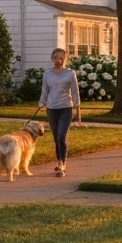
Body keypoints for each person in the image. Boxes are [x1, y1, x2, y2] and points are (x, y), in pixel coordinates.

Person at [38, 47, 82, 177]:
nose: (59, 60)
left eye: (61, 58)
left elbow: (75, 92)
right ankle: (59, 161)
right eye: (56, 58)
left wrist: (77, 109)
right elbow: (45, 90)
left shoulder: (70, 73)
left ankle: (63, 164)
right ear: (52, 59)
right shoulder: (47, 74)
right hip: (52, 108)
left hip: (65, 108)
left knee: (61, 136)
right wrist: (41, 103)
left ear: (65, 59)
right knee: (56, 138)